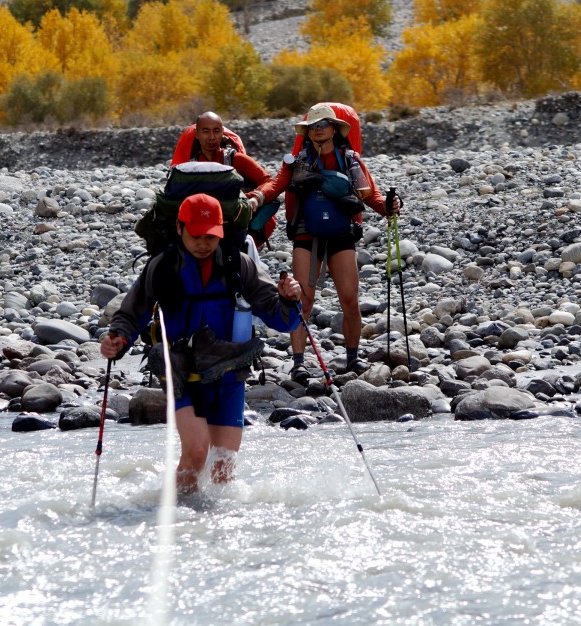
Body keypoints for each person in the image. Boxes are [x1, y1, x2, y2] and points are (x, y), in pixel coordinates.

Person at [100, 193, 303, 496]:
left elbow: (283, 321)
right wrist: (117, 338)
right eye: (196, 235)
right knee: (196, 452)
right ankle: (176, 513)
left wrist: (290, 300)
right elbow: (133, 313)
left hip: (229, 372)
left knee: (223, 468)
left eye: (211, 236)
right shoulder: (163, 266)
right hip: (181, 372)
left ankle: (210, 531)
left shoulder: (240, 264)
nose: (204, 243)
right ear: (180, 229)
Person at [250, 103, 399, 383]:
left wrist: (388, 206)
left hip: (341, 235)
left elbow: (370, 194)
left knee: (350, 300)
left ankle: (352, 359)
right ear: (307, 132)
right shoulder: (296, 161)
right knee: (302, 302)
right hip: (306, 235)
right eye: (313, 127)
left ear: (334, 129)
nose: (318, 130)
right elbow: (277, 184)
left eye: (323, 125)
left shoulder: (350, 158)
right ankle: (298, 364)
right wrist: (256, 197)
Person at [173, 111, 278, 252]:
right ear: (196, 134)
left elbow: (269, 181)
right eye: (205, 131)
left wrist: (255, 197)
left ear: (223, 133)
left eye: (216, 131)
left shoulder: (237, 159)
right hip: (199, 231)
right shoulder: (188, 168)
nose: (211, 137)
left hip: (235, 227)